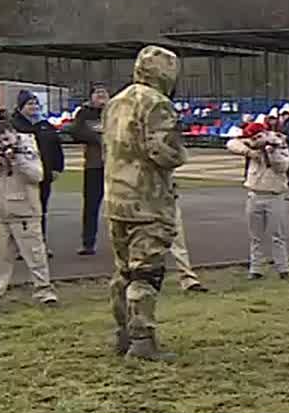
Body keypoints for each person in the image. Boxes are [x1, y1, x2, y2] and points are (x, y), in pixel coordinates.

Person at [103, 46, 187, 361]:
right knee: (146, 274)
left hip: (116, 199)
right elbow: (165, 153)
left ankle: (122, 334)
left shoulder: (115, 102)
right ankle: (142, 340)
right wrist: (180, 150)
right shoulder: (157, 104)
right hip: (148, 201)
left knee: (123, 272)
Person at [0, 121, 58, 311]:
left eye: (5, 139)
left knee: (35, 255)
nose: (3, 144)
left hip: (25, 211)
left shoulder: (28, 148)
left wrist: (18, 160)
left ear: (13, 133)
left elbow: (37, 176)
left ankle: (44, 291)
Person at [227, 121, 289, 280]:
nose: (256, 139)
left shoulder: (279, 144)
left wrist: (270, 152)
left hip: (274, 195)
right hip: (254, 194)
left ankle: (283, 268)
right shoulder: (251, 146)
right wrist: (250, 151)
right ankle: (256, 268)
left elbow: (282, 167)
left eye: (258, 136)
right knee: (255, 236)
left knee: (278, 235)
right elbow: (231, 144)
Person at [11, 90, 64, 250]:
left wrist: (57, 168)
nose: (33, 107)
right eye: (29, 104)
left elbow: (56, 148)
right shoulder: (14, 125)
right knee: (22, 211)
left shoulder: (45, 126)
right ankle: (20, 245)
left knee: (40, 211)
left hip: (43, 174)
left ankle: (39, 243)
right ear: (21, 107)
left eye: (35, 104)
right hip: (22, 176)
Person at [69, 82, 110, 255]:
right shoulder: (84, 113)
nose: (101, 95)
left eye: (104, 92)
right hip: (94, 165)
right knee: (91, 205)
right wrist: (98, 138)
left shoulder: (115, 111)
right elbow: (75, 131)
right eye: (97, 93)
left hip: (116, 166)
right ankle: (88, 243)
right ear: (91, 97)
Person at [169, 196, 209, 294]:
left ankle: (188, 280)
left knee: (178, 239)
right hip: (143, 201)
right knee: (143, 242)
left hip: (167, 199)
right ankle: (140, 280)